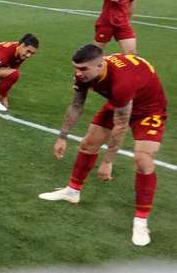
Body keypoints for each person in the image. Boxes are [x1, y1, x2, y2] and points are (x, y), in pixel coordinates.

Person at [39, 44, 167, 247]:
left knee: (143, 160)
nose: (78, 73)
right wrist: (62, 136)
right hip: (120, 103)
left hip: (148, 110)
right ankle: (73, 191)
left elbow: (121, 124)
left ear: (100, 65)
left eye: (83, 69)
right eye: (76, 68)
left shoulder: (121, 83)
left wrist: (108, 161)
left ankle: (141, 221)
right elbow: (76, 105)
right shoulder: (85, 75)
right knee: (88, 143)